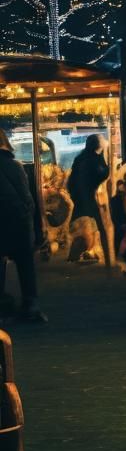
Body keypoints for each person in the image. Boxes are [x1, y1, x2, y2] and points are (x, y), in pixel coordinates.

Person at [0, 128, 47, 323]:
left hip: (4, 223)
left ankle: (3, 306)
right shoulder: (16, 165)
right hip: (22, 224)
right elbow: (30, 198)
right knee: (25, 266)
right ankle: (31, 304)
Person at [66, 134, 109, 264]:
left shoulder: (80, 158)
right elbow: (102, 174)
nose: (105, 142)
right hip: (89, 198)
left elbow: (72, 180)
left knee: (83, 227)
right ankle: (103, 254)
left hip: (80, 197)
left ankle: (79, 254)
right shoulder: (94, 159)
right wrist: (105, 161)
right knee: (99, 227)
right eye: (103, 140)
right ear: (98, 145)